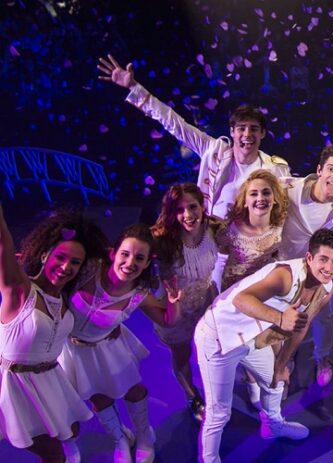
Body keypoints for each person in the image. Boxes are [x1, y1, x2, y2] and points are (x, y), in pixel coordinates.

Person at [194, 229, 333, 463]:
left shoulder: (326, 289)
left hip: (254, 339)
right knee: (219, 413)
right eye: (323, 259)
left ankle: (272, 426)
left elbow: (302, 326)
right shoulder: (284, 276)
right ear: (309, 258)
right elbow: (241, 299)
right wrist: (279, 318)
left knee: (276, 382)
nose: (329, 268)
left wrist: (282, 365)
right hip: (219, 336)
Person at [97, 54, 291, 219]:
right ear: (232, 132)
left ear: (262, 133)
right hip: (210, 239)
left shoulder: (273, 169)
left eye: (254, 129)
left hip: (253, 245)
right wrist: (134, 87)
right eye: (241, 128)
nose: (247, 134)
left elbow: (289, 209)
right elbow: (174, 123)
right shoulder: (213, 150)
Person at [59, 224, 181, 463]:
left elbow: (168, 320)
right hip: (71, 350)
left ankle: (144, 437)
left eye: (139, 258)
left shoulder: (138, 294)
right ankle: (120, 440)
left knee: (133, 391)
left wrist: (174, 301)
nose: (130, 262)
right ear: (113, 253)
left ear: (147, 263)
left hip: (107, 347)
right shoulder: (89, 269)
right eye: (125, 254)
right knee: (97, 397)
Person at [0, 205, 107, 463]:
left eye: (75, 262)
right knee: (53, 454)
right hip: (14, 386)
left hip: (49, 380)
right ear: (44, 255)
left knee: (72, 430)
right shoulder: (20, 290)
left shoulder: (64, 299)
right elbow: (3, 243)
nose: (66, 266)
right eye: (60, 257)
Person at [278, 143, 333, 386]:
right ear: (319, 170)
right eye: (331, 169)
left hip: (319, 274)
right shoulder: (289, 189)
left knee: (322, 318)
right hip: (285, 270)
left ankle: (322, 358)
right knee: (284, 317)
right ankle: (284, 361)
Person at [215, 169, 288, 407]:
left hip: (268, 291)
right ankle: (252, 380)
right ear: (244, 201)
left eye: (266, 193)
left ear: (274, 198)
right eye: (253, 194)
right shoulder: (229, 230)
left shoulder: (282, 225)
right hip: (238, 295)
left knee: (275, 336)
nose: (260, 198)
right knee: (247, 341)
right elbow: (218, 257)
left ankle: (277, 374)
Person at [151, 183, 221, 422]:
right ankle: (192, 396)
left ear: (202, 206)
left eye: (192, 207)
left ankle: (216, 393)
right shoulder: (162, 239)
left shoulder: (215, 228)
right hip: (176, 310)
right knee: (182, 355)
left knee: (212, 352)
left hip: (206, 303)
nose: (188, 215)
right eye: (179, 210)